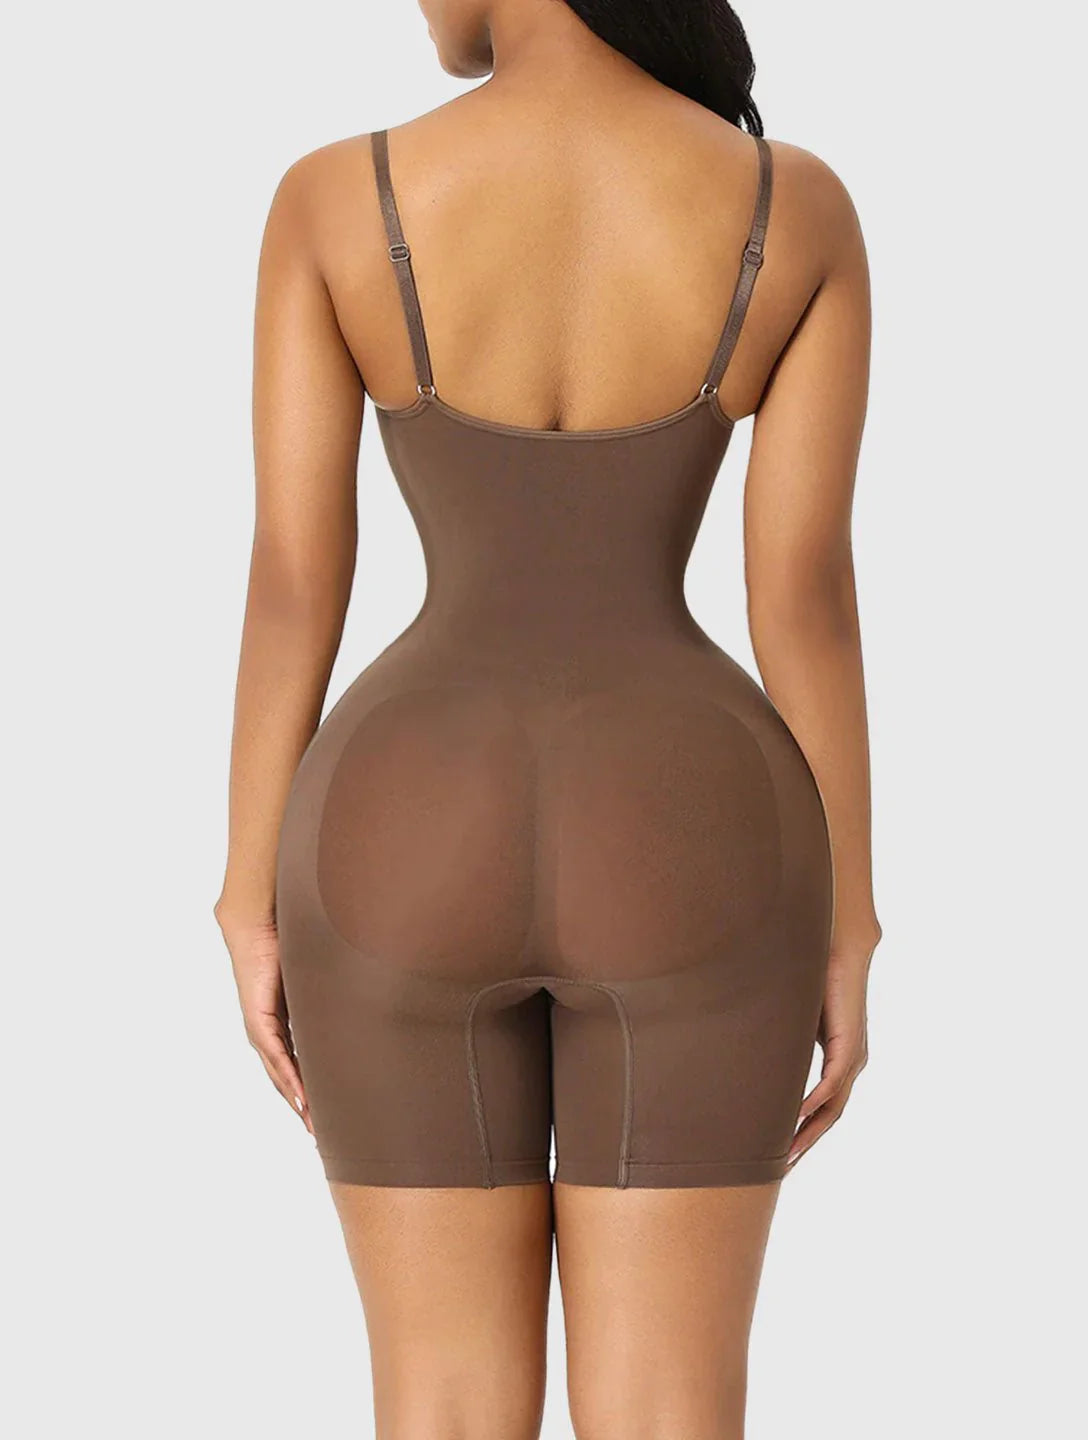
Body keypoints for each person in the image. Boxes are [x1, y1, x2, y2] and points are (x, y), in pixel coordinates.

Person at [215, 1, 881, 1434]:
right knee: (669, 1408)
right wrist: (853, 916)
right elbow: (804, 599)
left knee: (441, 1407)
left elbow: (290, 582)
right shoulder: (796, 208)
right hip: (694, 828)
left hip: (400, 826)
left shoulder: (334, 198)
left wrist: (244, 888)